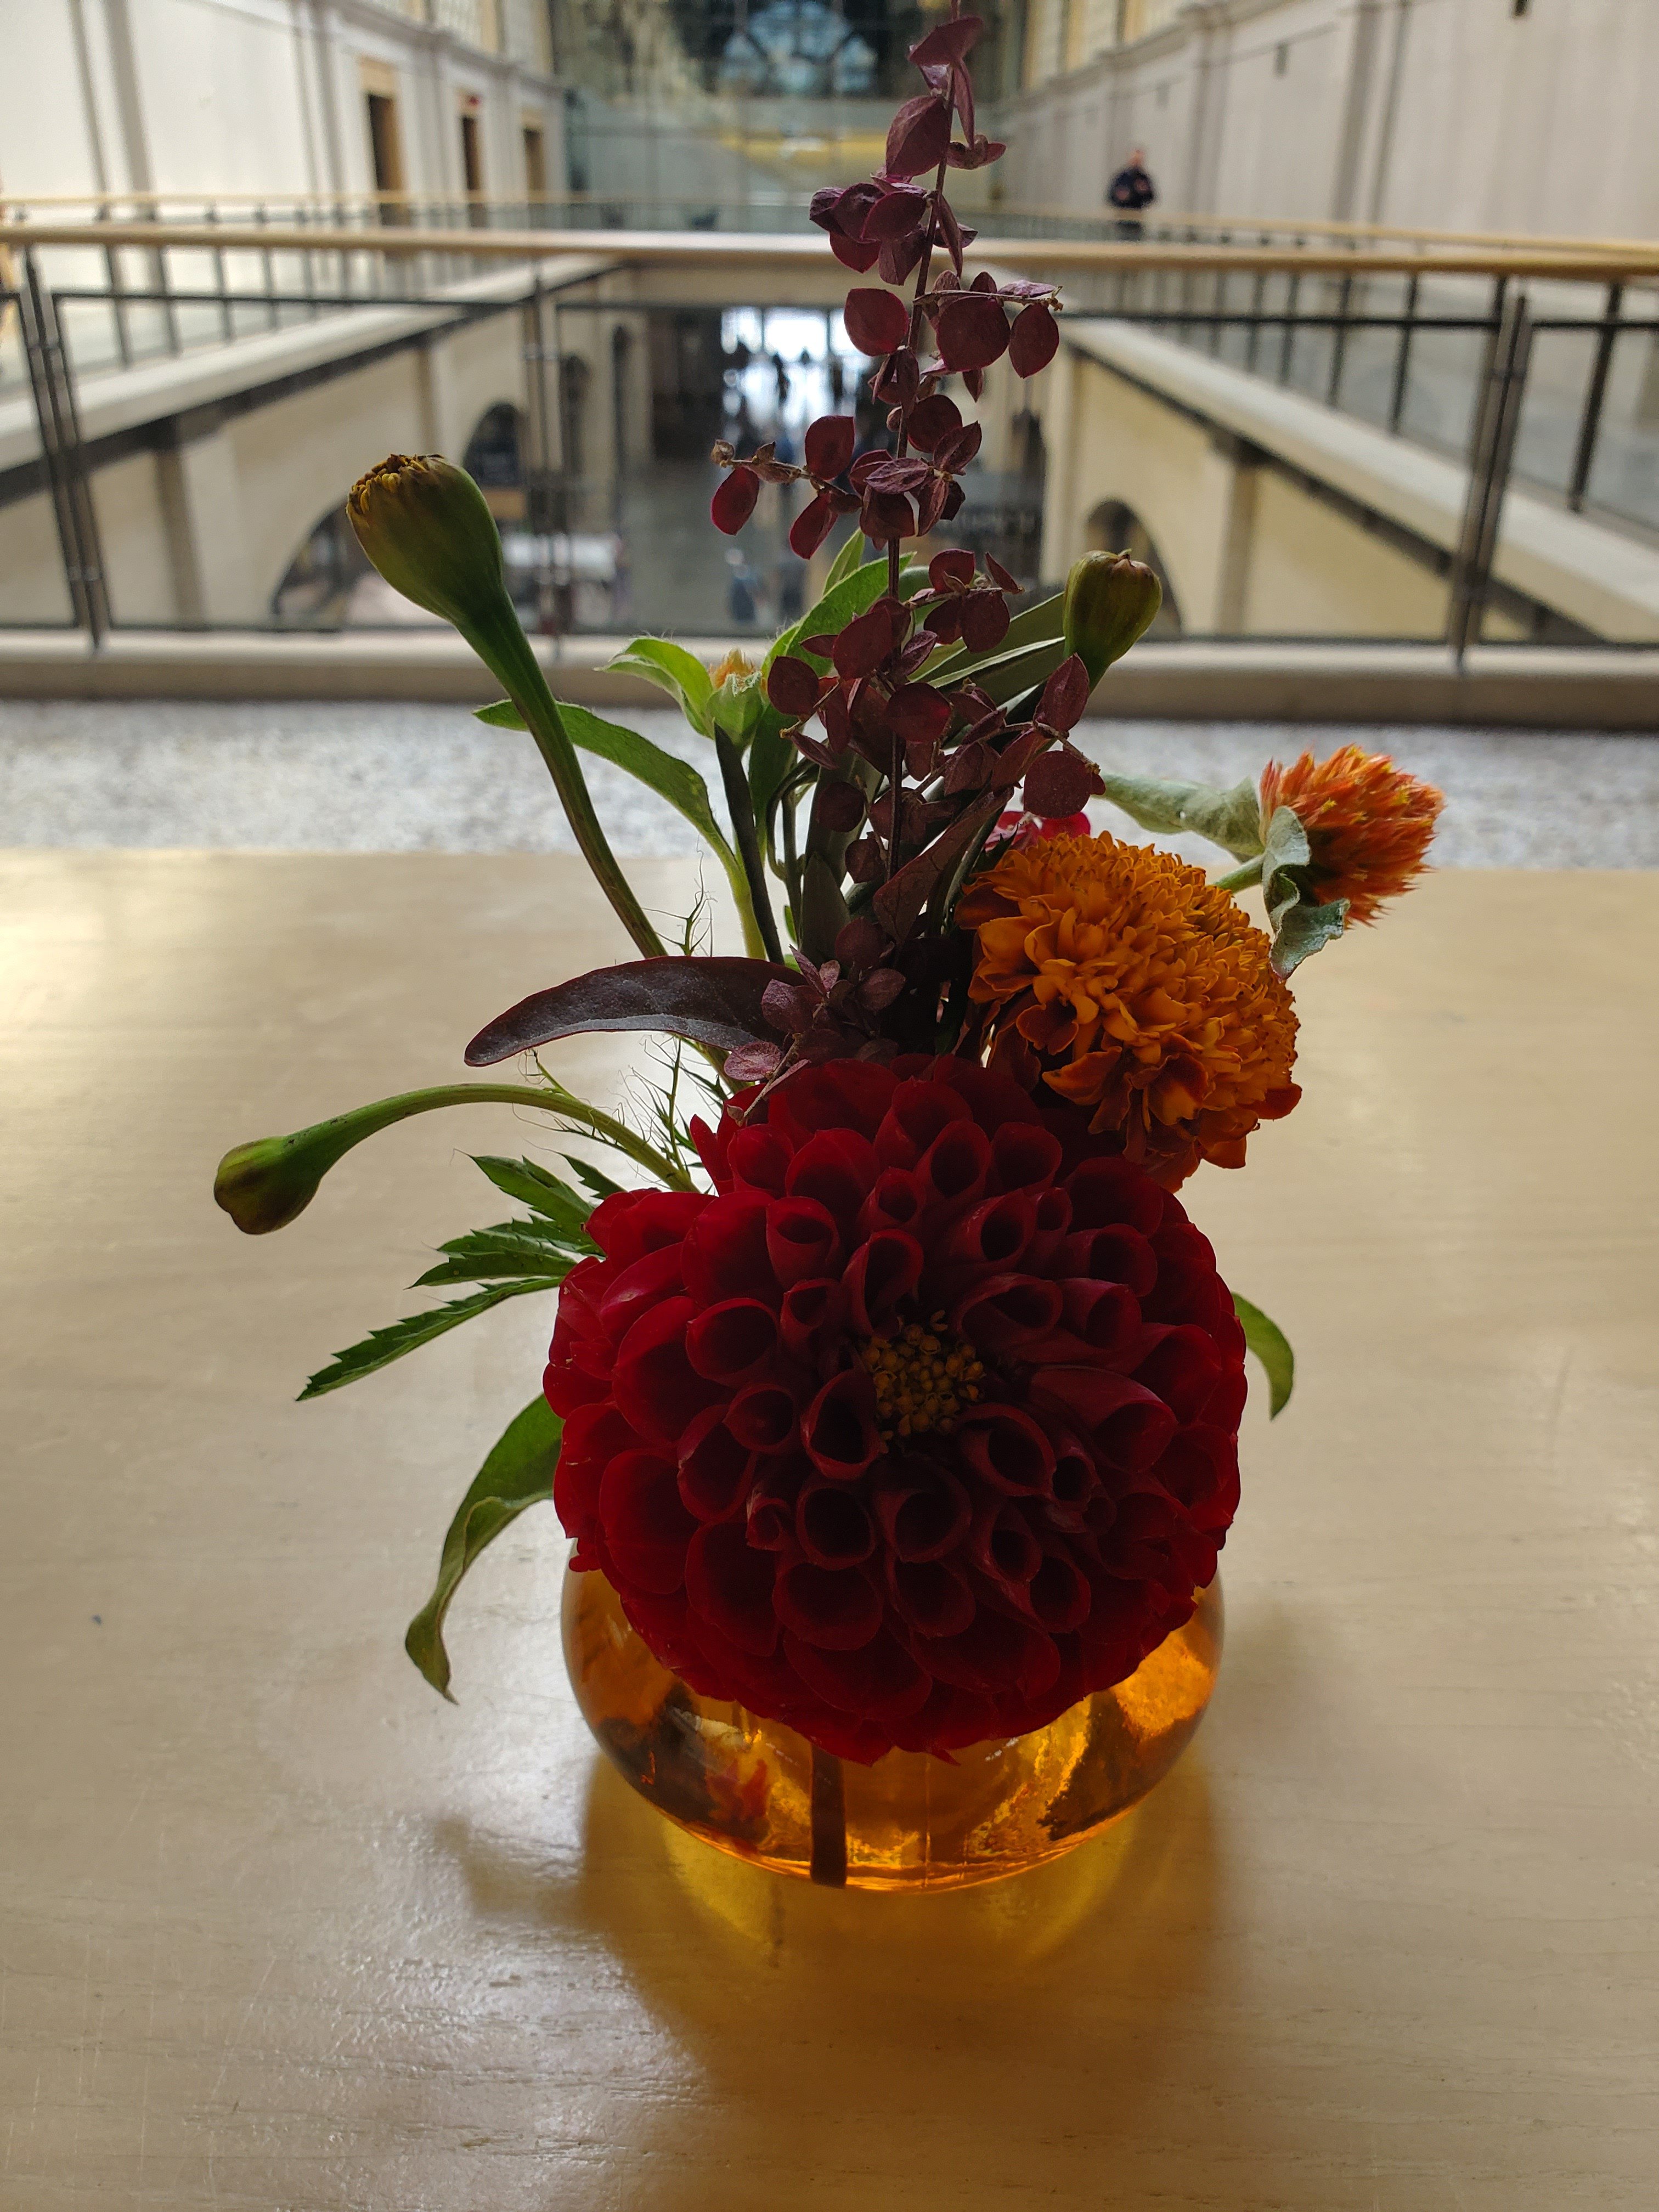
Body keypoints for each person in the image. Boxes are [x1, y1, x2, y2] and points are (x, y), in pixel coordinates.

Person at [1108, 146, 1156, 238]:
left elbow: (1152, 198)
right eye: (1134, 160)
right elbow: (1111, 197)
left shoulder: (1144, 178)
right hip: (1122, 220)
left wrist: (1143, 192)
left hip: (1137, 220)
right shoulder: (1121, 177)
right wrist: (1121, 198)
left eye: (1139, 160)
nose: (1136, 163)